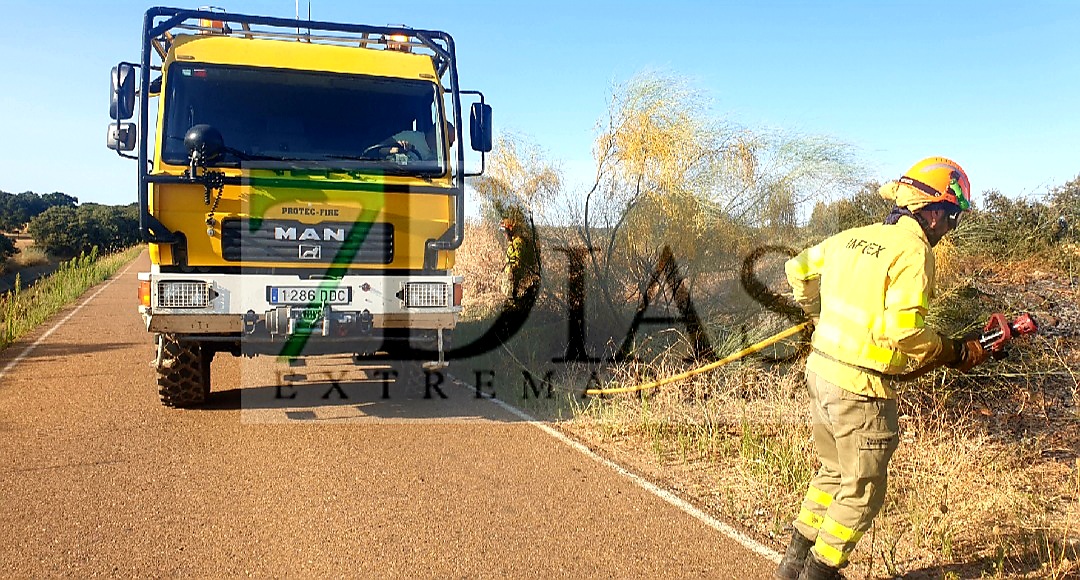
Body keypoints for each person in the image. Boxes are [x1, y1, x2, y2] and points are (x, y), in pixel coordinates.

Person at [775, 157, 991, 580]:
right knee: (862, 491)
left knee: (833, 471)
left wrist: (815, 310)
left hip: (820, 372)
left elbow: (796, 268)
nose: (950, 229)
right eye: (951, 217)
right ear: (930, 210)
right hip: (860, 388)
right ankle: (820, 572)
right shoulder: (913, 251)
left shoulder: (853, 237)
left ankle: (792, 566)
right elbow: (905, 334)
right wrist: (955, 352)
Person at [499, 213, 538, 309]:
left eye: (505, 232)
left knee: (513, 301)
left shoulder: (518, 242)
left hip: (514, 277)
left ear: (510, 231)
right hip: (510, 276)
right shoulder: (512, 242)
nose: (504, 235)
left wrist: (511, 271)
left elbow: (518, 261)